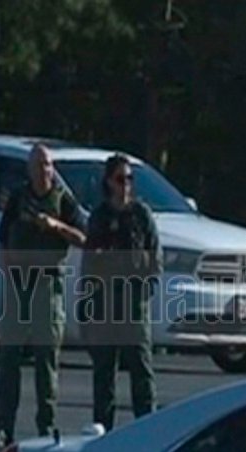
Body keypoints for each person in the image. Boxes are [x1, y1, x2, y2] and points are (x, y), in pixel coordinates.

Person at [0, 144, 86, 449]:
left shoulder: (63, 200)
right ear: (29, 169)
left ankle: (47, 425)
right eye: (39, 165)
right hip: (20, 283)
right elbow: (2, 238)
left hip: (47, 283)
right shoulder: (18, 198)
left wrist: (56, 226)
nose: (44, 170)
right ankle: (3, 426)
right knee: (9, 357)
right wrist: (6, 268)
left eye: (48, 165)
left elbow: (84, 238)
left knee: (46, 358)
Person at [81, 154, 162, 431]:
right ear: (109, 182)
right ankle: (103, 432)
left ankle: (147, 429)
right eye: (120, 179)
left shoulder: (141, 215)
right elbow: (89, 264)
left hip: (134, 303)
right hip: (105, 304)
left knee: (141, 369)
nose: (125, 185)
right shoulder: (100, 217)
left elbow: (155, 258)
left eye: (129, 179)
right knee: (104, 373)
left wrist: (146, 289)